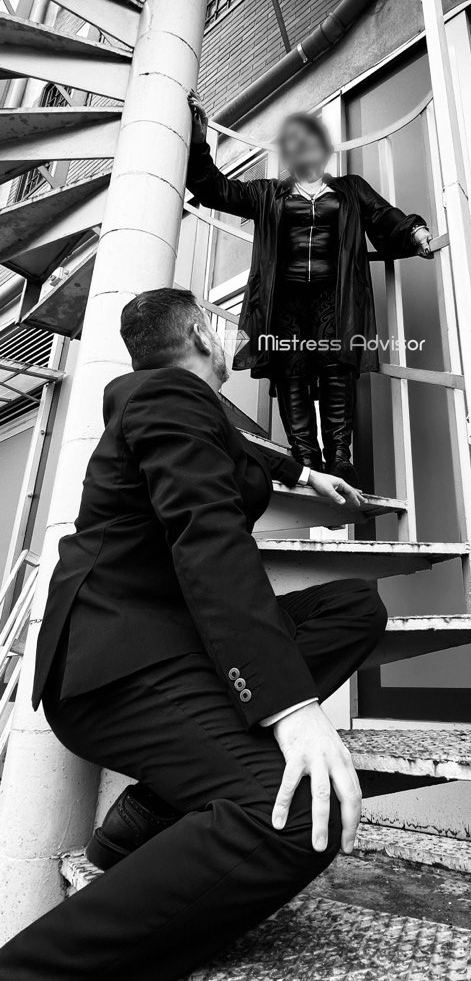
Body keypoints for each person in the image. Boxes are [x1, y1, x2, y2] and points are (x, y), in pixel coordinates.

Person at [0, 288, 387, 981]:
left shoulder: (176, 406)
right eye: (218, 324)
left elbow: (239, 448)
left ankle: (161, 798)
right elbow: (205, 537)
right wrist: (291, 708)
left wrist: (306, 474)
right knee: (298, 810)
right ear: (204, 336)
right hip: (118, 667)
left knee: (354, 606)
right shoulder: (169, 399)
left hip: (170, 648)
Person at [187, 91, 433, 487]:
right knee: (291, 371)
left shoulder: (351, 190)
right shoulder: (267, 193)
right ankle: (305, 456)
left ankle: (340, 459)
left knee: (337, 369)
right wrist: (200, 142)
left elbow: (384, 217)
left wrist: (414, 231)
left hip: (333, 299)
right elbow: (216, 190)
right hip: (282, 301)